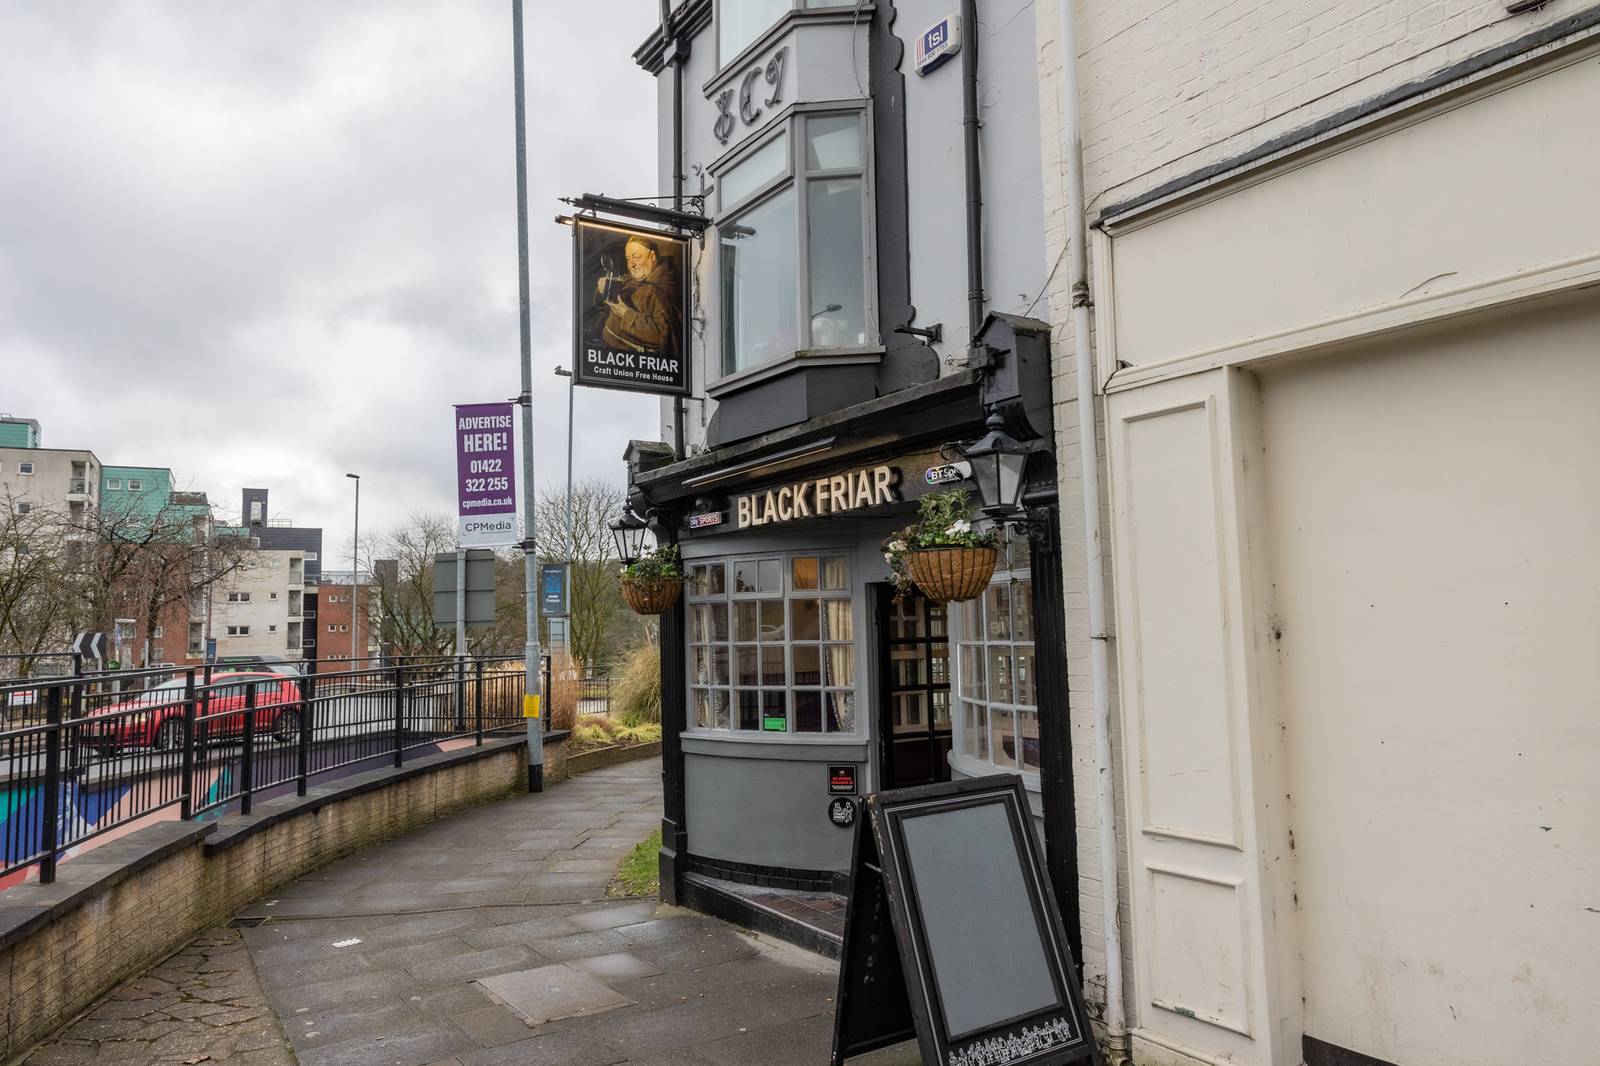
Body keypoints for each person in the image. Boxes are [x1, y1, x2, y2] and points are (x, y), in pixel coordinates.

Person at [596, 236, 680, 355]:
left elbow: (662, 335)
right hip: (607, 350)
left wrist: (625, 314)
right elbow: (607, 310)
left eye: (636, 257)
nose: (632, 264)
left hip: (632, 359)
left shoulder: (664, 289)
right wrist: (604, 290)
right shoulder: (632, 279)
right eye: (628, 259)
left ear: (652, 256)